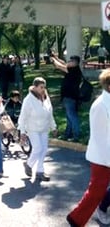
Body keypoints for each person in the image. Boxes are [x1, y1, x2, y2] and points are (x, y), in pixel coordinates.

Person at [67, 69, 110, 227]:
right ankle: (76, 219)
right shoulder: (101, 105)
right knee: (96, 192)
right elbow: (100, 138)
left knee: (98, 191)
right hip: (102, 157)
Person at [18, 77, 57, 182]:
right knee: (38, 148)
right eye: (41, 87)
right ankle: (29, 164)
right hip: (33, 128)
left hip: (44, 128)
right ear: (34, 87)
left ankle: (40, 171)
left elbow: (50, 114)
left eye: (44, 87)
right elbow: (23, 117)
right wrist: (22, 132)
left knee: (44, 150)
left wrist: (53, 127)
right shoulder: (28, 100)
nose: (43, 89)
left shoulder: (45, 97)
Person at [51, 54, 83, 142]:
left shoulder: (74, 70)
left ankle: (76, 135)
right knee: (69, 116)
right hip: (69, 97)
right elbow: (63, 63)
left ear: (75, 63)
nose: (69, 62)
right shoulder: (73, 69)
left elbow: (60, 65)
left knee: (72, 116)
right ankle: (68, 134)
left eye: (71, 61)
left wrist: (53, 60)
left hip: (70, 97)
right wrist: (56, 57)